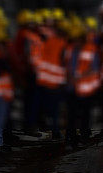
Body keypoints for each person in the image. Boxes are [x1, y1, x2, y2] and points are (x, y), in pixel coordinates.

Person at [66, 16, 101, 146]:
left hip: (86, 89)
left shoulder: (91, 49)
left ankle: (85, 136)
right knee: (72, 115)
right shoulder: (70, 49)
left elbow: (95, 68)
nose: (75, 42)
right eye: (73, 40)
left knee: (85, 114)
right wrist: (69, 77)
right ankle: (71, 138)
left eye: (77, 39)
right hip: (72, 88)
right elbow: (66, 65)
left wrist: (79, 76)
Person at [36, 12, 68, 140]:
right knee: (57, 108)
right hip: (56, 81)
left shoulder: (49, 41)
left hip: (45, 79)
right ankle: (55, 131)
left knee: (49, 107)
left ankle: (49, 127)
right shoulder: (63, 44)